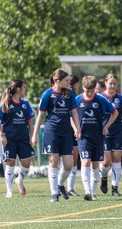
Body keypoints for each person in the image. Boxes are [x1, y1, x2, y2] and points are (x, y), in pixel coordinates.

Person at [31, 69, 81, 202]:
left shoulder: (70, 94)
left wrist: (77, 129)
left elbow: (74, 113)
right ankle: (54, 193)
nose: (68, 83)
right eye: (66, 81)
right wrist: (35, 134)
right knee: (53, 161)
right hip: (51, 131)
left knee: (69, 165)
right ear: (58, 81)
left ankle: (60, 185)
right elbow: (41, 115)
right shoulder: (47, 94)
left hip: (66, 133)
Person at [76, 76, 118, 201]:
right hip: (83, 137)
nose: (89, 93)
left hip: (98, 137)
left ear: (95, 89)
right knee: (85, 161)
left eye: (92, 91)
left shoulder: (101, 100)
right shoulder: (77, 100)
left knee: (95, 165)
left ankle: (93, 193)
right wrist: (76, 129)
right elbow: (70, 115)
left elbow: (115, 112)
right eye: (87, 91)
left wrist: (106, 126)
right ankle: (87, 191)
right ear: (83, 88)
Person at [0, 80, 35, 198]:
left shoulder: (25, 104)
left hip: (23, 139)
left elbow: (30, 122)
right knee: (10, 163)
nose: (25, 89)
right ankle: (9, 190)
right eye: (24, 87)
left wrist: (33, 135)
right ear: (18, 89)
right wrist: (1, 135)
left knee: (27, 163)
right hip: (9, 139)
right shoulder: (5, 103)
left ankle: (19, 180)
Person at [99, 73, 122, 196]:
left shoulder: (121, 99)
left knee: (116, 159)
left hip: (118, 132)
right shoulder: (100, 97)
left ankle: (115, 188)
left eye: (114, 83)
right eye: (110, 83)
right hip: (103, 133)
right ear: (105, 83)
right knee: (106, 162)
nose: (112, 86)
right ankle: (103, 177)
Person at [67, 75, 81, 196]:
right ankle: (67, 187)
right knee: (71, 159)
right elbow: (71, 115)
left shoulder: (73, 94)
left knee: (72, 159)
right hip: (68, 130)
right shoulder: (70, 94)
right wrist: (76, 128)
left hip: (72, 130)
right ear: (75, 84)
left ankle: (69, 187)